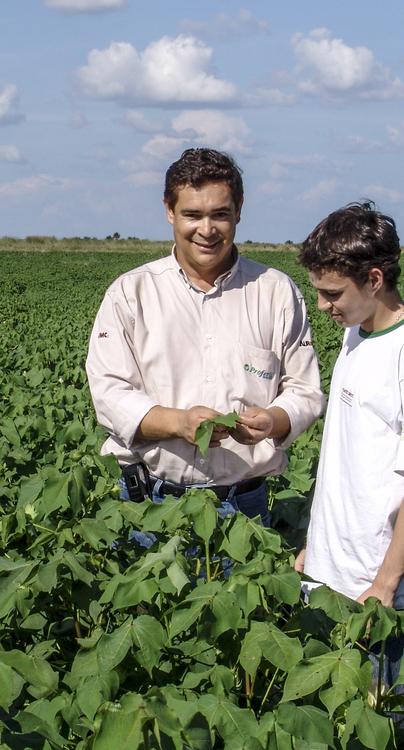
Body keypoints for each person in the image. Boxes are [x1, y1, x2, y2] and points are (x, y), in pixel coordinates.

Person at [85, 148, 325, 533]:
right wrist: (179, 423)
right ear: (169, 211)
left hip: (244, 507)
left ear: (239, 210)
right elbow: (109, 392)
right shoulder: (131, 293)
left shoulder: (276, 292)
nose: (207, 229)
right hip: (148, 505)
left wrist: (273, 420)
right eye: (192, 215)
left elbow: (304, 390)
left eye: (220, 214)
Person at [294, 201, 404, 693]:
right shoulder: (356, 335)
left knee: (378, 721)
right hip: (330, 572)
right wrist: (316, 548)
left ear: (375, 279)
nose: (323, 305)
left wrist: (385, 585)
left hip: (376, 593)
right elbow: (352, 458)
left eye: (332, 293)